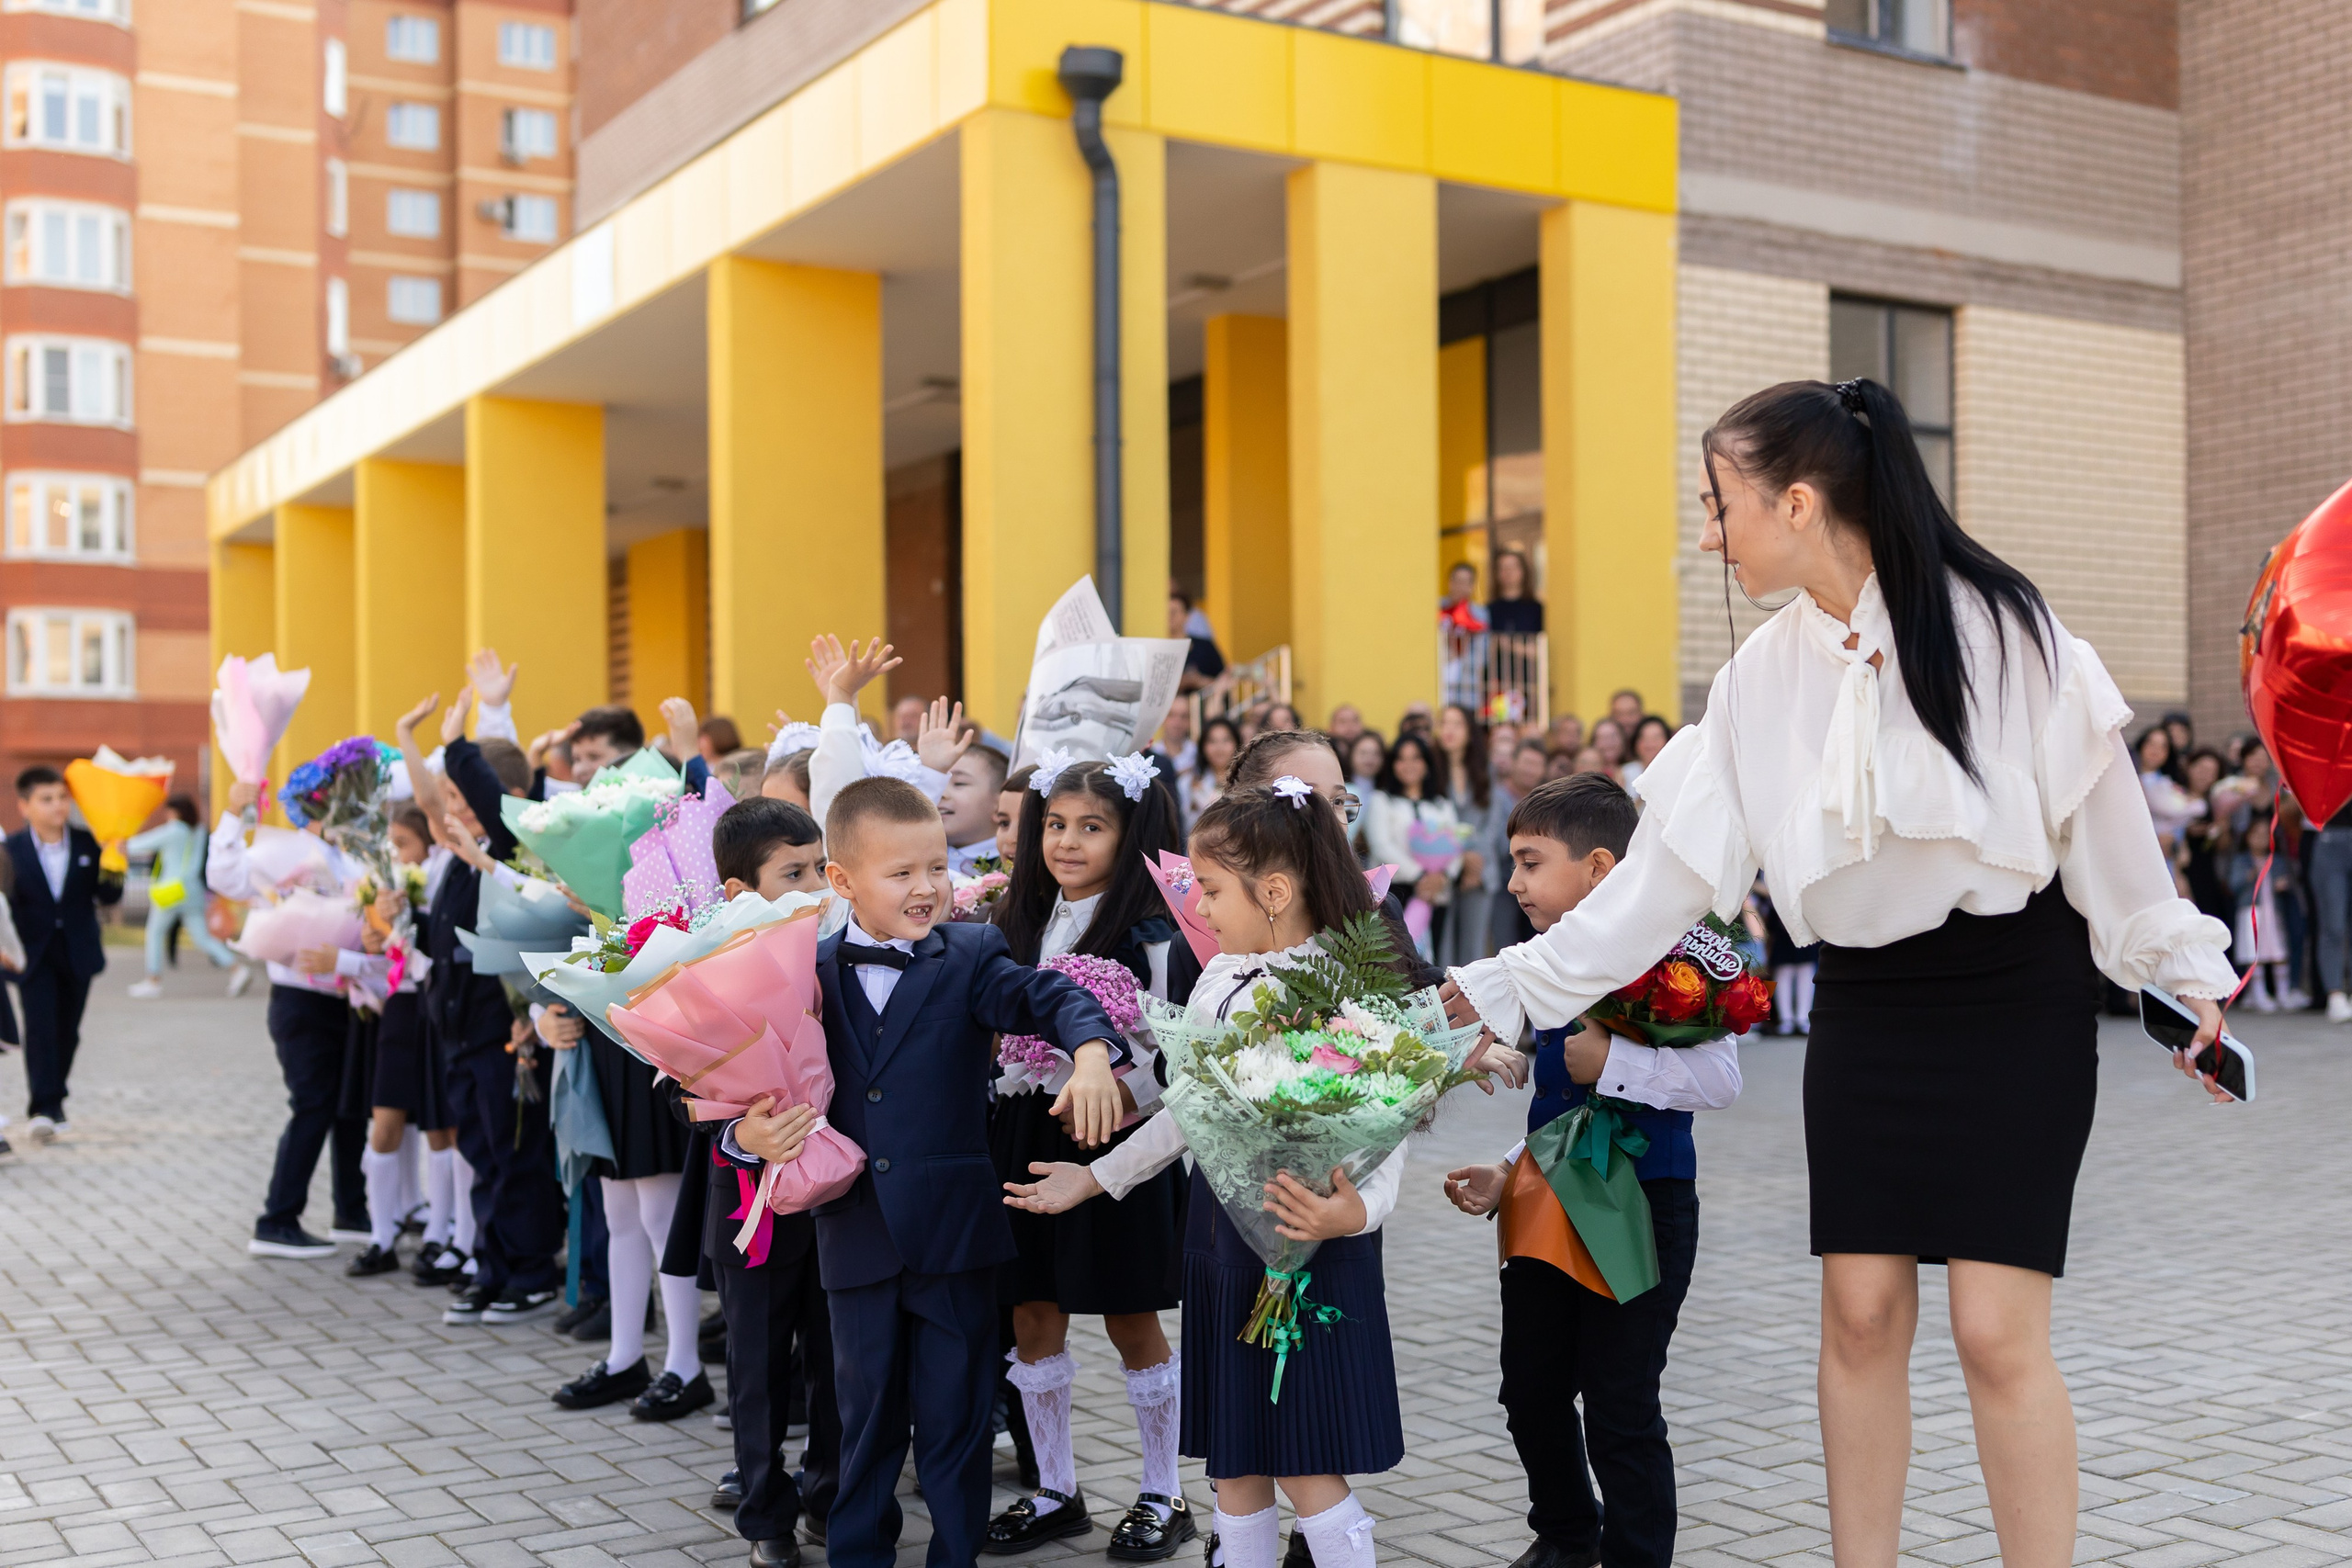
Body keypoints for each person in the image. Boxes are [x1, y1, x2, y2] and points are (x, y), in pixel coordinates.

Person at [1444, 377, 2238, 1568]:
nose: (1707, 533)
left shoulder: (2007, 629)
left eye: (1719, 505)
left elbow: (2108, 830)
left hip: (2011, 999)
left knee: (1992, 1332)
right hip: (1867, 1009)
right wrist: (1502, 983)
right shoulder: (1757, 683)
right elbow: (1654, 886)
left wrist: (2179, 975)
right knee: (1860, 1316)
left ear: (1799, 502)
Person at [1005, 785, 1425, 1568]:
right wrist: (1096, 1178)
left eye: (1211, 888)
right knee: (1234, 1459)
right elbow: (1190, 1107)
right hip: (1222, 1237)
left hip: (1308, 1242)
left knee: (1302, 1456)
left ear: (1274, 891)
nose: (1196, 904)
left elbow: (1388, 1111)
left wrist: (1356, 1210)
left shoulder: (1341, 978)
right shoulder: (1220, 973)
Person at [728, 777, 1129, 1568]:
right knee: (863, 1417)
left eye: (937, 868)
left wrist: (1090, 1052)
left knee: (956, 1419)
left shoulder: (973, 952)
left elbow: (1049, 996)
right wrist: (750, 1130)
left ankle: (956, 1554)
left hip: (956, 1236)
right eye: (902, 873)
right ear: (842, 882)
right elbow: (724, 1086)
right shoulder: (800, 971)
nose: (928, 888)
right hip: (855, 1236)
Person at [1442, 773, 1740, 1568]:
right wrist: (1511, 1167)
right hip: (1546, 1197)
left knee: (1620, 1406)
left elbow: (1721, 1080)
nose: (1514, 883)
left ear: (1602, 868)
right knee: (1530, 1390)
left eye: (1531, 862)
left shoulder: (1676, 952)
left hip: (1643, 1204)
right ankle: (1568, 1536)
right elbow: (1556, 1099)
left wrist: (1614, 1061)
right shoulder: (1548, 965)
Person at [986, 758, 1203, 1559]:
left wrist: (1116, 1081)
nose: (1067, 842)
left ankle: (1162, 1491)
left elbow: (1174, 1049)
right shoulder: (1016, 920)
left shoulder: (1156, 934)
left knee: (1128, 1315)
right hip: (1023, 1133)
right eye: (1054, 824)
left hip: (1116, 1143)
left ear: (1132, 833)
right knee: (1033, 1312)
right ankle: (1054, 1486)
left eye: (1091, 825)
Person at [672, 797, 839, 1568]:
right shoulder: (706, 970)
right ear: (741, 891)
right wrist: (742, 1134)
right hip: (753, 1207)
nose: (815, 885)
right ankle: (765, 1511)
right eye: (794, 873)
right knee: (759, 1366)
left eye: (819, 868)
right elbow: (684, 1086)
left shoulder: (835, 950)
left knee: (838, 1358)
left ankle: (831, 1496)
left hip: (839, 1197)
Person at [399, 676, 569, 1322]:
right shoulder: (459, 855)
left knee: (513, 1153)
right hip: (459, 1032)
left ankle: (528, 1269)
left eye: (459, 798)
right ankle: (492, 1265)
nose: (450, 810)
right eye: (447, 799)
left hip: (504, 1031)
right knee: (480, 1152)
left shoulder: (511, 851)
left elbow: (496, 806)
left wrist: (461, 744)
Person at [341, 802, 458, 1278]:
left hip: (434, 1007)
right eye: (391, 844)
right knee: (384, 1122)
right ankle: (381, 1236)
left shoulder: (440, 881)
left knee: (439, 1126)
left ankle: (441, 1233)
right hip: (399, 1008)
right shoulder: (380, 887)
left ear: (428, 846)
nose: (396, 853)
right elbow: (382, 956)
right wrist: (376, 940)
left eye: (404, 843)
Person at [9, 765, 123, 1145]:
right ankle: (44, 1108)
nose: (58, 805)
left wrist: (115, 863)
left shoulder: (89, 842)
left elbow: (108, 897)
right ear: (24, 806)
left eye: (62, 797)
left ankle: (55, 1096)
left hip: (78, 950)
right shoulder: (10, 851)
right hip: (33, 954)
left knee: (68, 1031)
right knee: (40, 1029)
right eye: (47, 799)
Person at [125, 795, 249, 998]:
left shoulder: (174, 830)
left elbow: (140, 844)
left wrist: (117, 844)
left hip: (172, 891)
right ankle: (237, 969)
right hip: (194, 891)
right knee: (202, 938)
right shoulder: (200, 832)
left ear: (175, 812)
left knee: (155, 933)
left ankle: (153, 980)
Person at [1362, 734, 1464, 962]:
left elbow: (1455, 845)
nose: (1409, 765)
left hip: (1434, 892)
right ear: (1393, 764)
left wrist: (1442, 876)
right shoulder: (1382, 800)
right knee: (1394, 958)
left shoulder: (1441, 804)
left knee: (1429, 958)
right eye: (1401, 758)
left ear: (1426, 764)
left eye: (1416, 758)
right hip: (1394, 892)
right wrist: (1420, 875)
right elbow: (1381, 845)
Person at [1433, 704, 1495, 966]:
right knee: (1443, 948)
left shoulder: (1484, 769)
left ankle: (1472, 1005)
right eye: (1444, 723)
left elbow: (1491, 823)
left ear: (1470, 731)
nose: (1449, 730)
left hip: (1479, 868)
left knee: (1474, 949)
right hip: (1441, 864)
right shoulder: (1431, 769)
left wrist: (1472, 856)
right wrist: (1459, 855)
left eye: (1457, 724)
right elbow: (1430, 820)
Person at [1184, 717, 1243, 829]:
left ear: (1237, 743)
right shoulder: (1188, 783)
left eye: (1226, 740)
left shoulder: (1247, 782)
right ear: (1203, 746)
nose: (1219, 748)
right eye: (1212, 741)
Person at [1172, 592, 1226, 694]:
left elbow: (1223, 679)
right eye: (1166, 613)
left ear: (1187, 616)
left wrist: (1199, 681)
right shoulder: (1159, 648)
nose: (1170, 617)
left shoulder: (1204, 646)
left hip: (1204, 705)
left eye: (1174, 612)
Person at [1487, 547, 1544, 635]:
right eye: (1503, 568)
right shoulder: (1488, 611)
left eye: (1513, 567)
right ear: (1496, 573)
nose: (1508, 572)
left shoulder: (1537, 610)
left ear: (1523, 571)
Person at [1620, 715, 1673, 790]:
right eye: (1645, 738)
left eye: (1656, 738)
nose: (1650, 744)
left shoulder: (1678, 773)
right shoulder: (1624, 773)